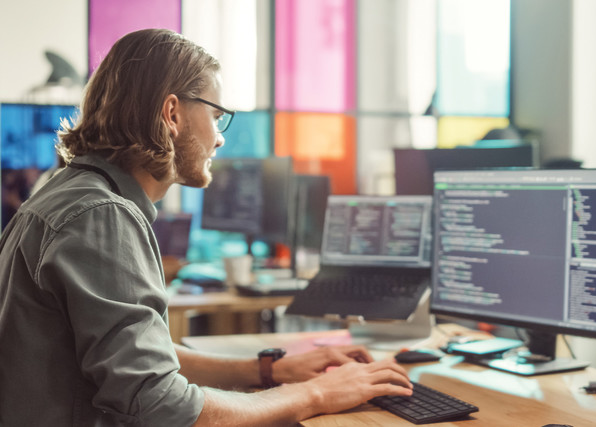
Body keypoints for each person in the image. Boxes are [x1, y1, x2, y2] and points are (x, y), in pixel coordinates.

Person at [0, 28, 412, 426]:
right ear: (172, 113)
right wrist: (317, 394)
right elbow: (160, 406)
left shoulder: (68, 192)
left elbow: (141, 360)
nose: (219, 138)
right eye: (216, 116)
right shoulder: (101, 215)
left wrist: (268, 370)